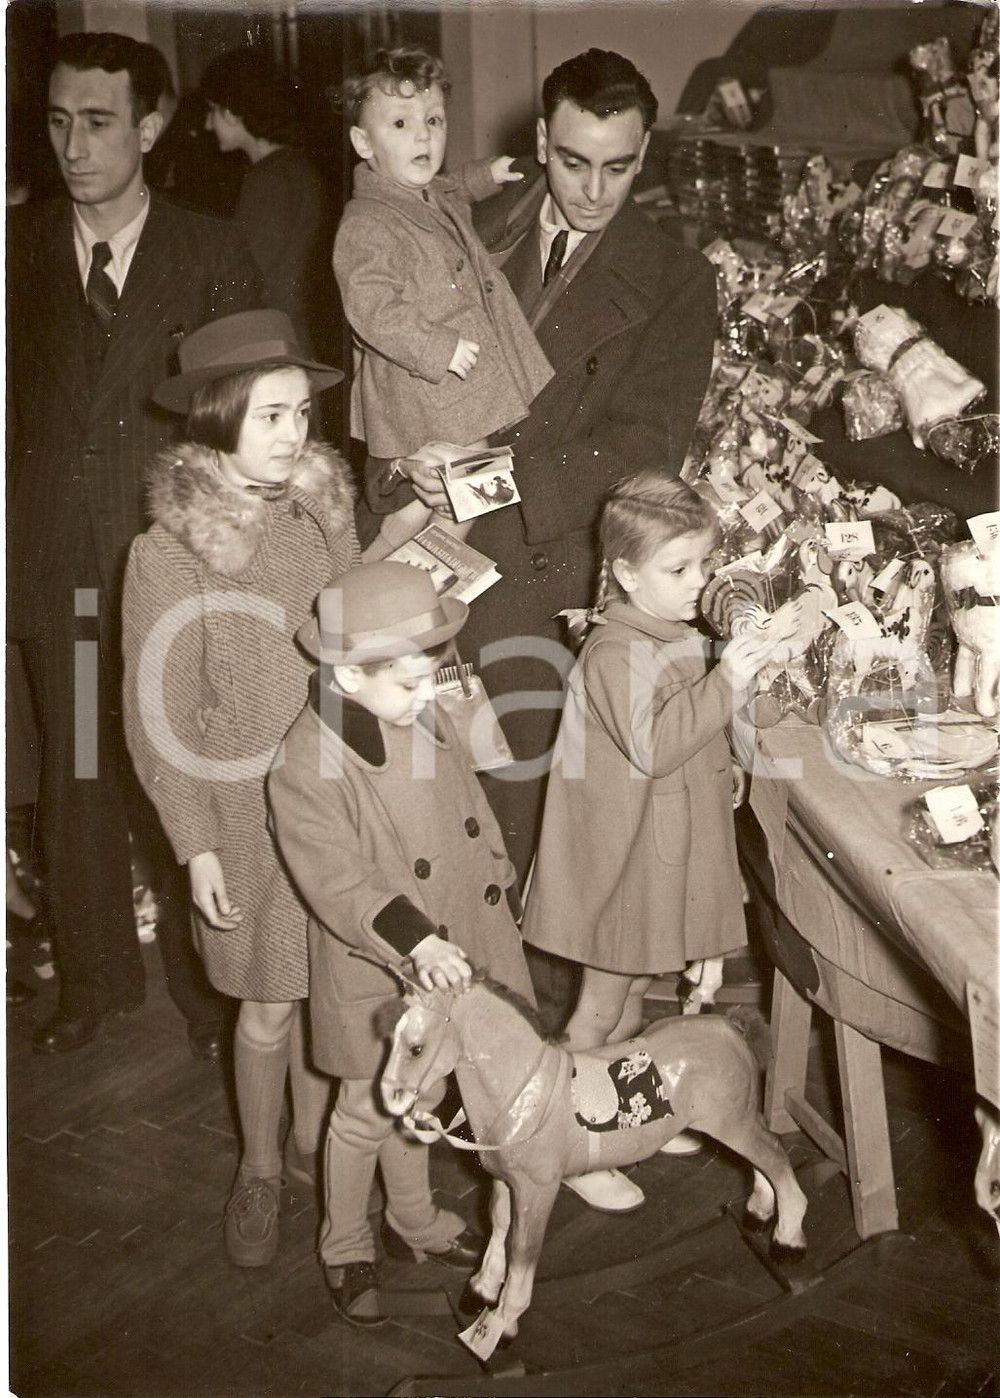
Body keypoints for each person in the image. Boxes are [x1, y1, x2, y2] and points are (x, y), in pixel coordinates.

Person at [361, 48, 719, 1030]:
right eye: (572, 163)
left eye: (619, 166)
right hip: (428, 554)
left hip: (542, 576)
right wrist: (401, 470)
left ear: (646, 155)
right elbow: (389, 373)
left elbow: (646, 446)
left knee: (535, 828)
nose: (594, 190)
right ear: (538, 143)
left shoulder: (677, 278)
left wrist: (488, 479)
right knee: (428, 811)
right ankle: (454, 1036)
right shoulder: (468, 220)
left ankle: (550, 1058)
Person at [7, 31, 264, 1057]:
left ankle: (210, 999)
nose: (74, 145)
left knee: (183, 779)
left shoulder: (211, 252)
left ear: (152, 125)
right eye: (59, 121)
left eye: (99, 122)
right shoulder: (18, 251)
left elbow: (243, 419)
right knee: (75, 778)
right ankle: (95, 981)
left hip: (172, 565)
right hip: (59, 562)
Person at [121, 310, 358, 1267]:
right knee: (266, 1003)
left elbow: (350, 626)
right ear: (218, 420)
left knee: (329, 989)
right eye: (272, 417)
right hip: (244, 810)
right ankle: (260, 1166)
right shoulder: (169, 553)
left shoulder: (316, 512)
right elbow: (157, 716)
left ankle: (312, 1146)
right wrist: (196, 843)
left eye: (301, 412)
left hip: (337, 796)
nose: (296, 435)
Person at [268, 561, 535, 1325]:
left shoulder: (419, 711)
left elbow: (469, 807)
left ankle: (411, 1217)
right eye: (410, 683)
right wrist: (416, 945)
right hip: (382, 964)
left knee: (418, 1097)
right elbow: (341, 883)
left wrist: (500, 881)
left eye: (430, 677)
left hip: (460, 936)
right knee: (364, 1109)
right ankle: (345, 1242)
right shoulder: (306, 763)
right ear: (348, 677)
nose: (428, 697)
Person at [520, 474, 778, 1212]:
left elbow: (692, 728)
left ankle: (626, 1111)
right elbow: (656, 743)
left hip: (655, 852)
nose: (700, 583)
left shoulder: (668, 633)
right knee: (600, 1011)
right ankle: (565, 1141)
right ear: (627, 575)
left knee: (633, 993)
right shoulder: (612, 653)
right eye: (680, 570)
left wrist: (724, 759)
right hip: (621, 866)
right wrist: (728, 679)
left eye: (704, 564)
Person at [335, 47, 553, 558]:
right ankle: (398, 574)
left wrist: (487, 175)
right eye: (401, 123)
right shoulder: (366, 222)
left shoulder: (418, 190)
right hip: (421, 385)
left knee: (451, 491)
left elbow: (451, 187)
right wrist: (437, 348)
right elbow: (370, 308)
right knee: (475, 484)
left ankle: (385, 570)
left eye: (433, 120)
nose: (423, 135)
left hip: (448, 388)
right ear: (363, 143)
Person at [201, 49, 332, 356]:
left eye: (212, 111)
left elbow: (244, 275)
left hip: (268, 340)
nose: (208, 124)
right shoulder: (296, 168)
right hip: (293, 334)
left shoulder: (268, 179)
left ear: (232, 111)